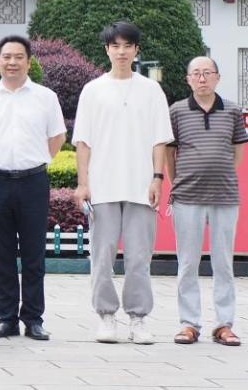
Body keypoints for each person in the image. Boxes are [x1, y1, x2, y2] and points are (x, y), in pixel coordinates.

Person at [73, 21, 173, 345]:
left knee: (139, 257)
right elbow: (83, 142)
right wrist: (83, 183)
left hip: (140, 186)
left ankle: (138, 317)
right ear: (107, 50)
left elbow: (160, 139)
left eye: (127, 45)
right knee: (101, 256)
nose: (121, 51)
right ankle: (105, 315)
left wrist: (157, 178)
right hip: (102, 187)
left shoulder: (151, 90)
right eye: (115, 46)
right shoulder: (93, 90)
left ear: (136, 50)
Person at [0, 35, 66, 341]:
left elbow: (57, 137)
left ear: (29, 61)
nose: (12, 62)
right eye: (7, 57)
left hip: (33, 181)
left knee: (34, 252)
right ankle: (7, 318)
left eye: (18, 57)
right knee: (2, 253)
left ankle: (33, 318)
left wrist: (36, 160)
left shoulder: (46, 97)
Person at [167, 56, 248, 347]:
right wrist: (178, 181)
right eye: (196, 74)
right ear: (188, 79)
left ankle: (224, 324)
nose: (202, 78)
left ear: (217, 77)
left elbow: (238, 152)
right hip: (187, 196)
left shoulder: (233, 111)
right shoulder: (177, 111)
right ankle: (189, 323)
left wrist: (219, 173)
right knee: (187, 262)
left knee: (223, 262)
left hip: (225, 196)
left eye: (207, 73)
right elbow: (170, 153)